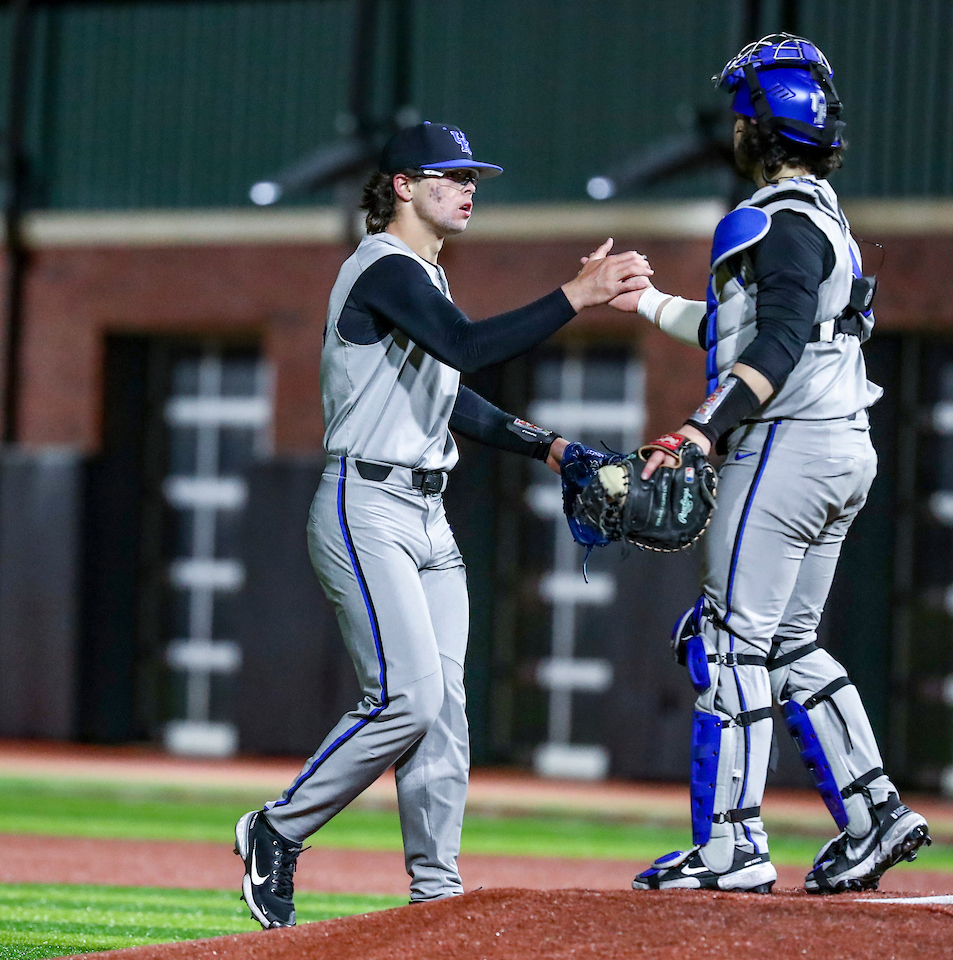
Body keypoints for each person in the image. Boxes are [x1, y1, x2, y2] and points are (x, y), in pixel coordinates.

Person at [235, 121, 652, 928]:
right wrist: (578, 296)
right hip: (367, 505)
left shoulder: (423, 276)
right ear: (402, 185)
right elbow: (467, 346)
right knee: (406, 699)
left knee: (445, 710)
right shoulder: (382, 268)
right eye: (452, 175)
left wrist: (549, 445)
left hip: (427, 511)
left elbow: (448, 395)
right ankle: (277, 828)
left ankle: (436, 896)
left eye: (473, 177)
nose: (469, 188)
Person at [612, 35, 930, 895]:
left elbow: (779, 344)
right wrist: (641, 301)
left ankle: (732, 846)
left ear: (757, 123)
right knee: (787, 642)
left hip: (787, 443)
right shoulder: (823, 221)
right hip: (839, 445)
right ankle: (875, 814)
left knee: (728, 640)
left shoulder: (778, 219)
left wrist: (703, 428)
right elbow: (749, 329)